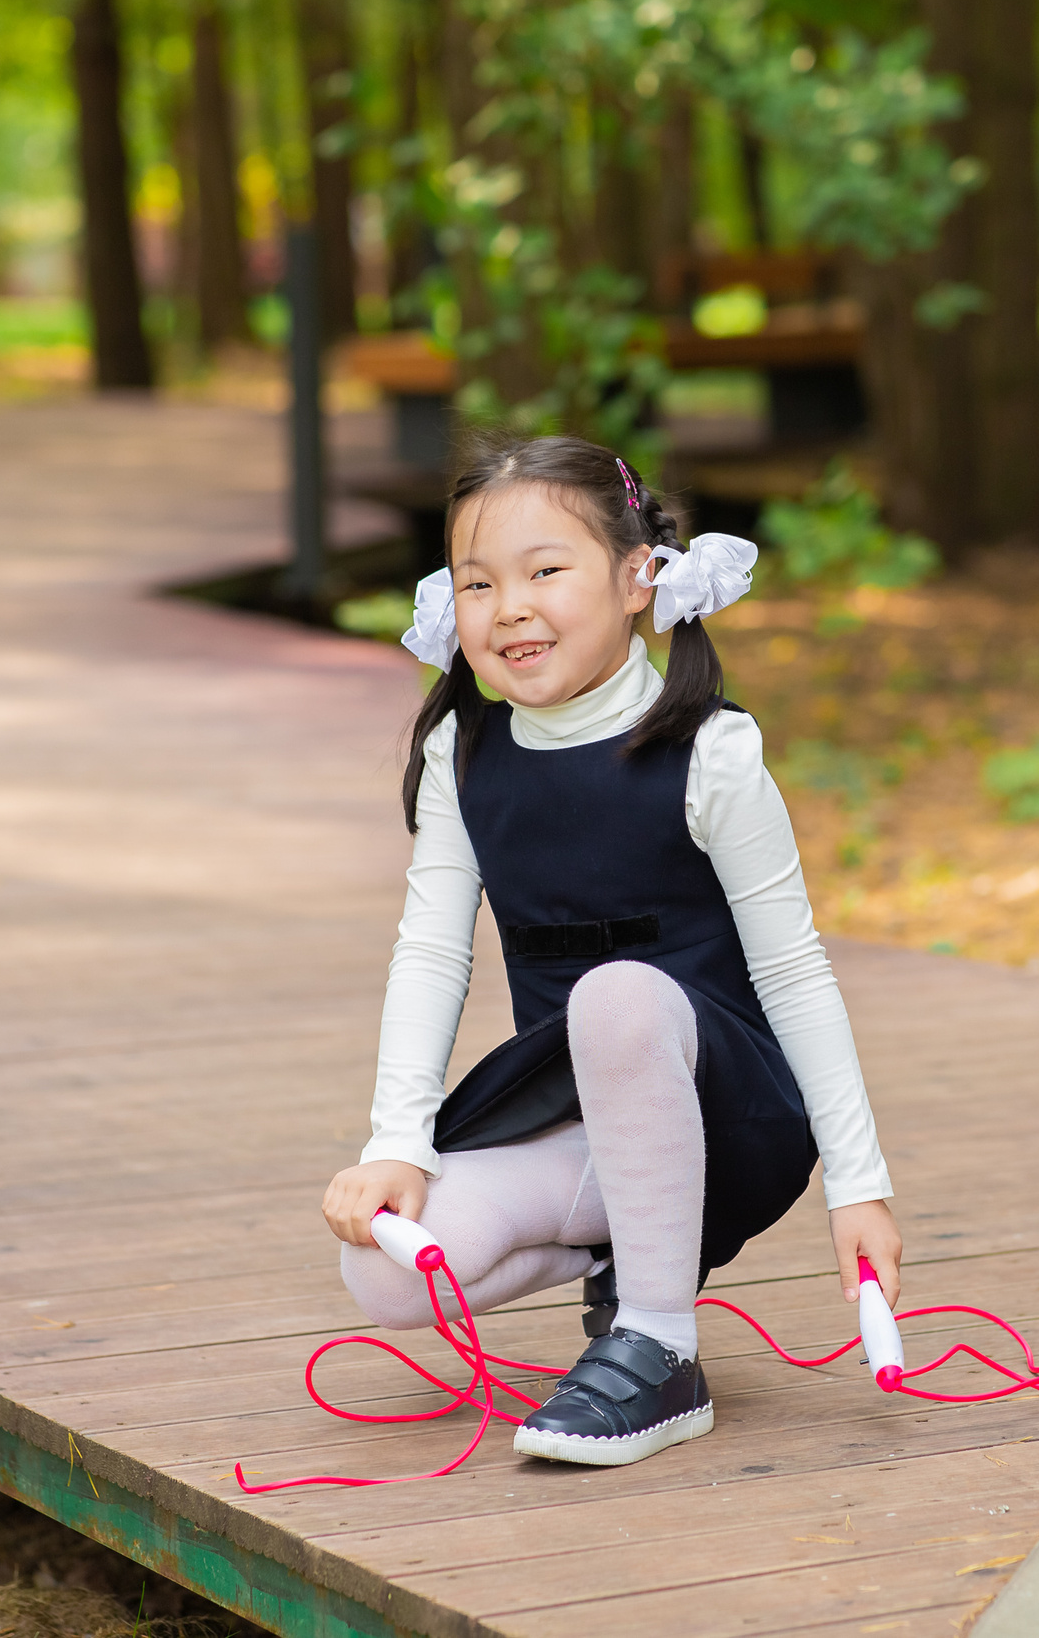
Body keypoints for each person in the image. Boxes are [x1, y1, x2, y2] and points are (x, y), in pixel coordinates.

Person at [320, 434, 901, 1467]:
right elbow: (430, 950)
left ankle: (661, 1346)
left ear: (638, 578)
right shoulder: (467, 754)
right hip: (584, 1115)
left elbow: (794, 969)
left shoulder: (711, 754)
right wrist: (395, 1144)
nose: (509, 607)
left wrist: (858, 1184)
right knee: (386, 1272)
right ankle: (633, 1261)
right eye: (478, 583)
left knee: (619, 996)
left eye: (546, 571)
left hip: (731, 1116)